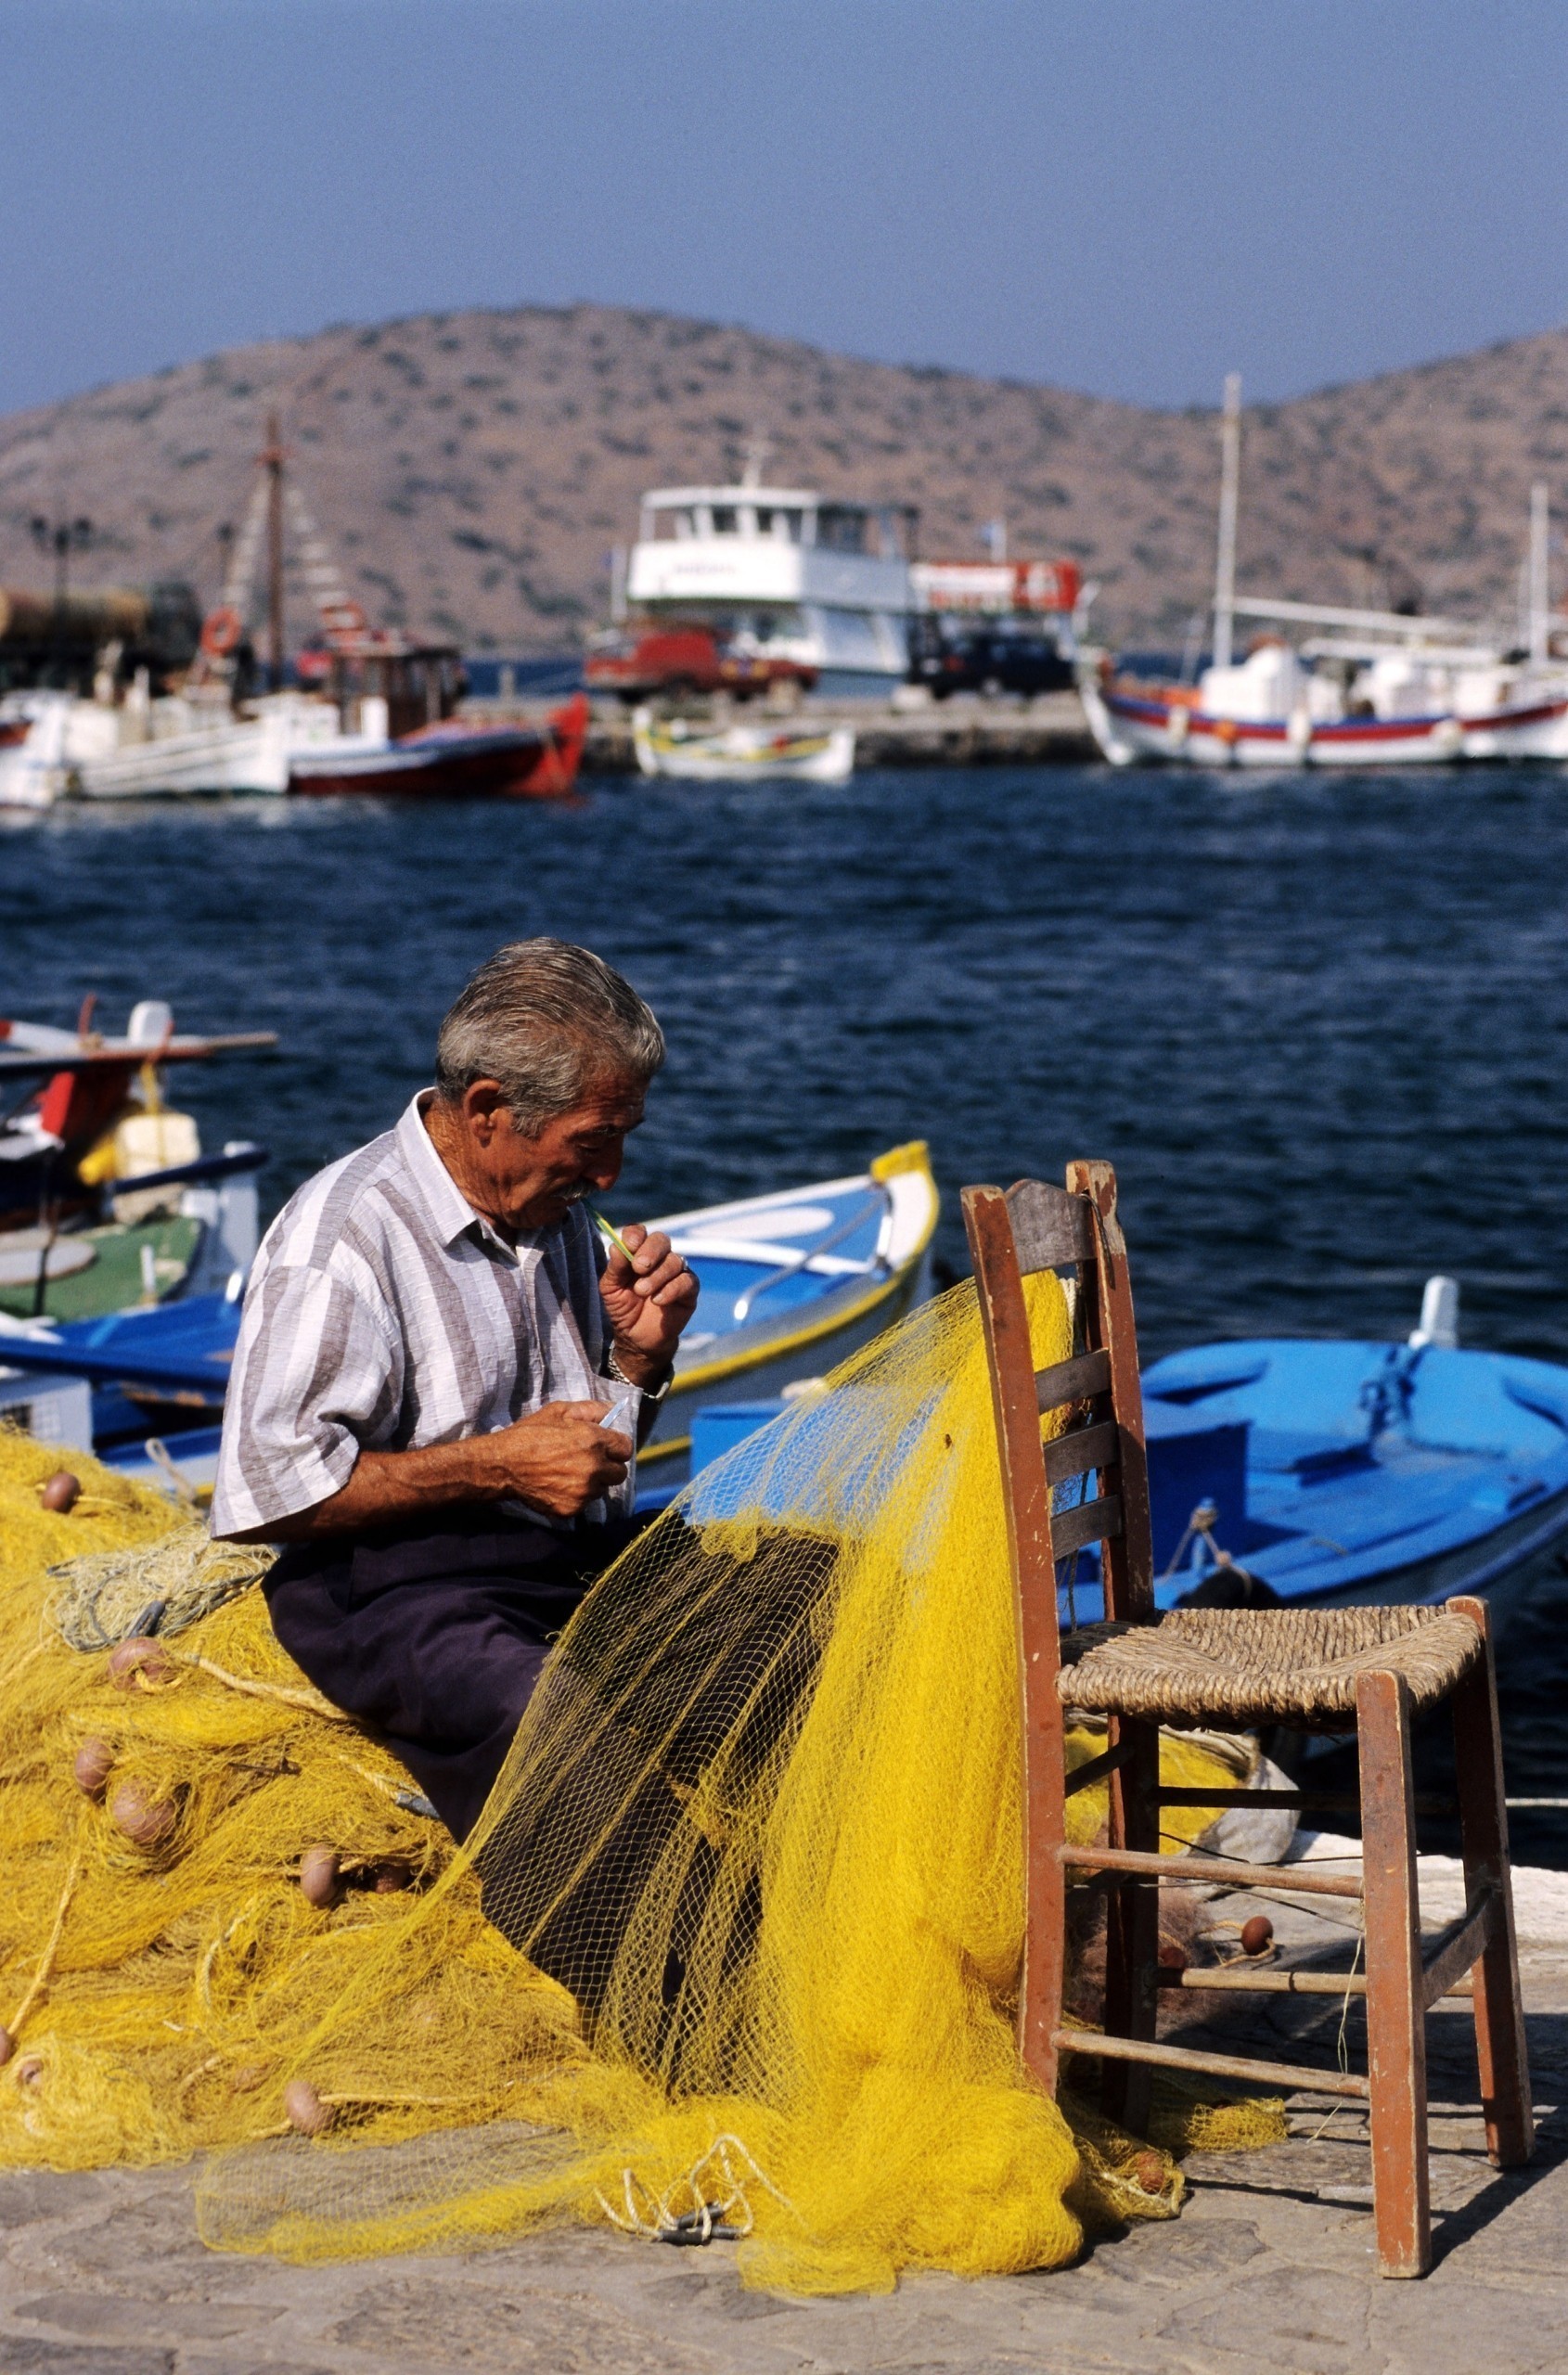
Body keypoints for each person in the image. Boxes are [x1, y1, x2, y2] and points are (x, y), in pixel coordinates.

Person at [210, 938, 699, 1840]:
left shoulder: (553, 1215)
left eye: (622, 1140)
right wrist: (501, 1469)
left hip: (553, 1565)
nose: (609, 1177)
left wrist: (639, 1362)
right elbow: (265, 1494)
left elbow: (589, 1464)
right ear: (486, 1110)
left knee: (802, 1599)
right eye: (593, 1142)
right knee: (552, 1731)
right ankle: (683, 1976)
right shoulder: (343, 1242)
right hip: (394, 1597)